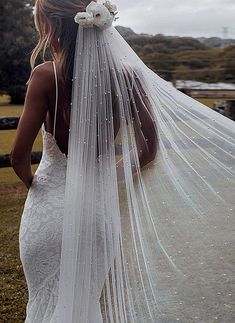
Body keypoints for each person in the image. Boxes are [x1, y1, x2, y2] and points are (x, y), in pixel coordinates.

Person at [11, 1, 235, 322]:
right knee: (86, 301)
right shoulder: (127, 76)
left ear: (53, 26)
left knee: (45, 302)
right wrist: (109, 175)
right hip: (99, 213)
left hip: (49, 211)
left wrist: (40, 186)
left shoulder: (45, 75)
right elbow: (149, 147)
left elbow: (18, 156)